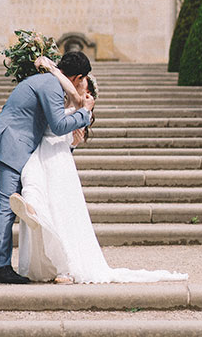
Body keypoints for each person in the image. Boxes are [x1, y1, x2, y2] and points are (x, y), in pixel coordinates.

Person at [10, 57, 188, 284]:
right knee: (31, 180)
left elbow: (72, 139)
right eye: (80, 79)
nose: (81, 84)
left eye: (85, 83)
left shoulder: (82, 106)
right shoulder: (58, 95)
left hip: (57, 157)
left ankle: (66, 267)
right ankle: (32, 211)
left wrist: (80, 115)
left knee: (61, 209)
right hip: (40, 150)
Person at [0, 51, 95, 284]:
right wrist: (84, 112)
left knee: (20, 204)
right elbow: (58, 124)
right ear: (77, 77)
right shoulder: (52, 85)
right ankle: (0, 267)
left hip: (16, 144)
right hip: (12, 145)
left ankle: (12, 261)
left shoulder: (44, 80)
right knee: (6, 208)